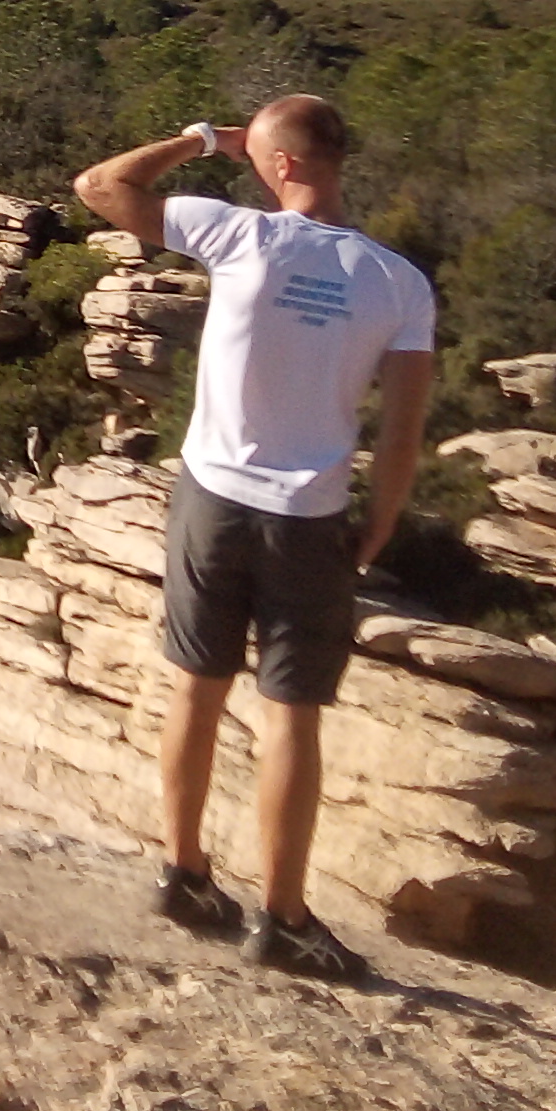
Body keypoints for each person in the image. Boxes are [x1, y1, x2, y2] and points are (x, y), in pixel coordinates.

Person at [69, 93, 434, 984]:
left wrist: (204, 142)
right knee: (291, 715)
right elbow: (401, 430)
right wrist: (381, 518)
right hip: (308, 516)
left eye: (263, 159)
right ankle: (283, 918)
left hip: (209, 499)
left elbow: (100, 185)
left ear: (286, 166)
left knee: (195, 686)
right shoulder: (398, 283)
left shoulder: (241, 236)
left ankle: (184, 873)